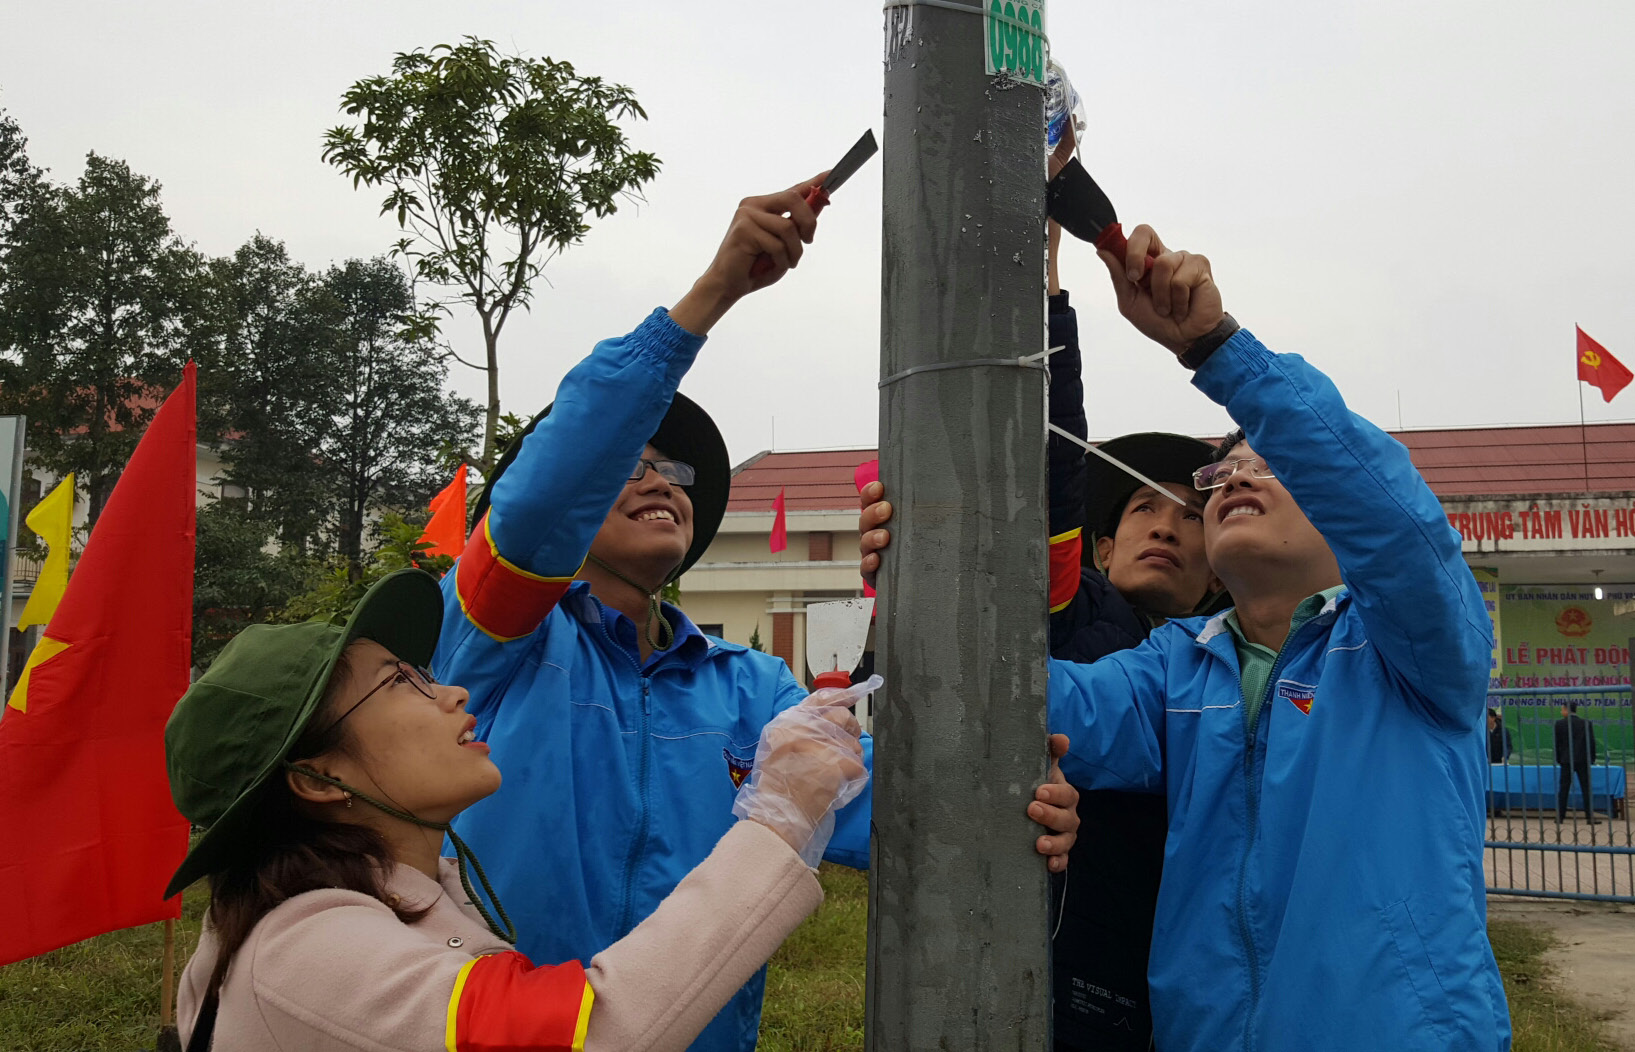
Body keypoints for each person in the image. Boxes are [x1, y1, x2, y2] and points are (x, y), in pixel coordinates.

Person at [434, 177, 1082, 1052]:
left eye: (674, 471)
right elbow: (539, 499)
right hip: (509, 1032)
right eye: (630, 462)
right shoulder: (495, 642)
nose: (658, 478)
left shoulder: (748, 688)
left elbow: (889, 808)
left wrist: (1020, 797)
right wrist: (715, 291)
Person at [1039, 225, 1509, 1050]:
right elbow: (1034, 701)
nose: (1233, 478)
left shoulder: (1412, 645)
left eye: (1267, 463)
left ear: (1338, 516)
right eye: (1218, 473)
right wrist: (920, 572)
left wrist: (1216, 349)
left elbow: (1393, 521)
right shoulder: (1174, 665)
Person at [165, 568, 869, 1052]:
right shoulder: (307, 951)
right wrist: (777, 820)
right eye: (401, 685)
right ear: (319, 779)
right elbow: (588, 1034)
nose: (453, 695)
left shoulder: (416, 897)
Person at [858, 208, 1221, 1051]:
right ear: (1097, 545)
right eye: (1142, 509)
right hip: (1053, 970)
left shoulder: (1231, 660)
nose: (1166, 527)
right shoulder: (1065, 610)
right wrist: (1041, 292)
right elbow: (1048, 464)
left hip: (1181, 983)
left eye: (1190, 517)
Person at [1554, 702, 1599, 824]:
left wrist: (1559, 759)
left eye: (1562, 709)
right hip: (1583, 759)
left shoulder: (1559, 724)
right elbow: (1591, 742)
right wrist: (1592, 759)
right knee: (1586, 788)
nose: (1561, 712)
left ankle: (1560, 817)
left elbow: (1557, 744)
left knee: (1563, 789)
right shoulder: (1585, 723)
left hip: (1566, 760)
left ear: (1565, 710)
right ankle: (1589, 817)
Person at [1487, 708, 1513, 816]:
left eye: (1487, 717)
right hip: (1486, 762)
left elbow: (1508, 746)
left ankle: (1497, 808)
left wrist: (1505, 756)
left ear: (1493, 718)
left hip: (1499, 761)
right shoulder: (1482, 731)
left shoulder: (1503, 731)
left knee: (1499, 785)